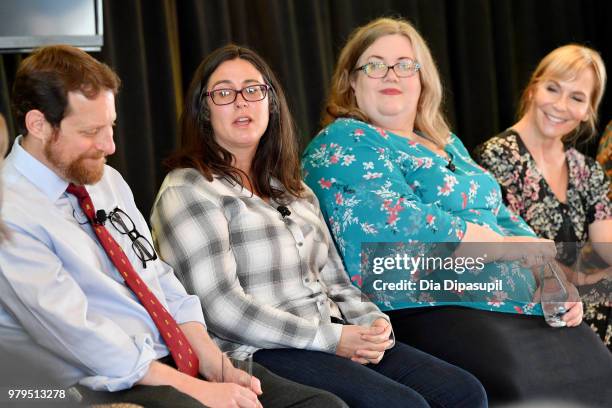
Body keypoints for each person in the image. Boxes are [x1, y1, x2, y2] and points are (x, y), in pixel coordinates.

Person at [0, 44, 344, 408]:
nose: (110, 145)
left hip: (174, 354)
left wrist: (214, 364)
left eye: (111, 126)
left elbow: (158, 277)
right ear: (38, 124)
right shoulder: (12, 212)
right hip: (107, 380)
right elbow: (81, 337)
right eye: (91, 131)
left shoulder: (106, 181)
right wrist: (198, 390)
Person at [150, 43, 487, 408]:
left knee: (463, 392)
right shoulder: (188, 189)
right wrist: (330, 338)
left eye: (253, 89)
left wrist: (374, 326)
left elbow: (336, 282)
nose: (241, 101)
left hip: (332, 334)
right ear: (203, 111)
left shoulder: (295, 190)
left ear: (271, 103)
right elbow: (223, 309)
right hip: (261, 350)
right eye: (224, 93)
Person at [302, 17, 612, 406]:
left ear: (422, 80)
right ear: (351, 80)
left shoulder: (444, 142)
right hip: (430, 301)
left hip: (507, 292)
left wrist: (553, 271)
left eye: (405, 65)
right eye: (375, 64)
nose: (391, 74)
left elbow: (497, 212)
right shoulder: (343, 139)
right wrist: (494, 244)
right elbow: (388, 222)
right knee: (522, 391)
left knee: (601, 374)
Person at [474, 45, 612, 350]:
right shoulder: (496, 157)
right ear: (533, 89)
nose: (561, 105)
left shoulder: (586, 170)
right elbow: (516, 253)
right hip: (533, 306)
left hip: (582, 300)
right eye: (553, 89)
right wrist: (591, 282)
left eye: (576, 97)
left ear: (588, 111)